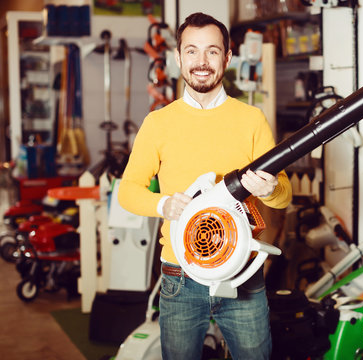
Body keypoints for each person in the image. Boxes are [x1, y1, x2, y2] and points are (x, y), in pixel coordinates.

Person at [118, 12, 292, 360]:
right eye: (192, 51)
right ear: (178, 57)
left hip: (243, 271)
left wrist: (268, 188)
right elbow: (128, 191)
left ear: (227, 58)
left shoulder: (251, 119)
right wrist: (163, 205)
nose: (202, 62)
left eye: (212, 51)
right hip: (180, 277)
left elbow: (283, 194)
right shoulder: (158, 124)